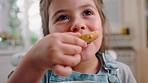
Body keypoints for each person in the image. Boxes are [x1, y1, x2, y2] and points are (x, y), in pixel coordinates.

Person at [7, 0, 137, 83]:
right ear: (48, 34)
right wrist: (33, 63)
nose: (77, 24)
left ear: (102, 23)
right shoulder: (40, 74)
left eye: (87, 12)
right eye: (62, 17)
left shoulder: (122, 74)